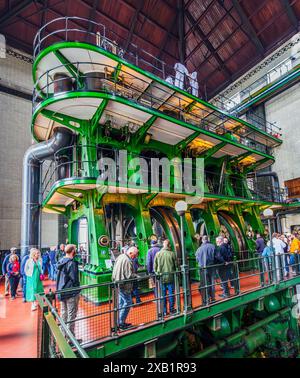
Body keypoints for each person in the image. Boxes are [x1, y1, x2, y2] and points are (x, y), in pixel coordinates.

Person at [56, 244, 81, 339]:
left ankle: (64, 335)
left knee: (64, 313)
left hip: (61, 291)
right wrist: (77, 288)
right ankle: (71, 338)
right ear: (73, 251)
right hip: (71, 292)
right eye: (75, 249)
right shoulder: (71, 263)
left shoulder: (61, 261)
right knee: (71, 314)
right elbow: (74, 278)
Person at [112, 246, 138, 330]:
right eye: (134, 255)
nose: (135, 257)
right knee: (128, 302)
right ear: (130, 253)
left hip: (118, 283)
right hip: (124, 285)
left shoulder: (120, 256)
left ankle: (118, 322)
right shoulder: (127, 261)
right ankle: (121, 323)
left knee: (121, 303)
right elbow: (129, 275)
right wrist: (137, 276)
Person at [154, 239, 178, 316]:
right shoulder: (172, 254)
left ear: (163, 245)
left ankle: (164, 311)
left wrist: (157, 273)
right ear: (169, 245)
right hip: (170, 277)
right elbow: (176, 265)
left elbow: (155, 267)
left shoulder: (158, 254)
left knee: (163, 295)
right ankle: (171, 309)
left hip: (161, 277)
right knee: (171, 294)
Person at [195, 235, 216, 306]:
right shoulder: (212, 246)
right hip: (212, 267)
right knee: (212, 282)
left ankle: (206, 299)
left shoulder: (199, 249)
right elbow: (216, 256)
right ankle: (213, 298)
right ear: (208, 239)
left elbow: (197, 259)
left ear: (202, 240)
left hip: (203, 269)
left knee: (205, 284)